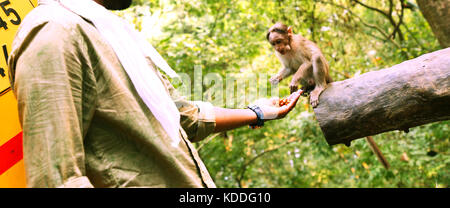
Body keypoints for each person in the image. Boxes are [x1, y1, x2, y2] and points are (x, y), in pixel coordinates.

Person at [8, 0, 301, 188]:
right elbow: (58, 181)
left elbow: (183, 118)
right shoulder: (54, 32)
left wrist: (259, 112)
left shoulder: (111, 32)